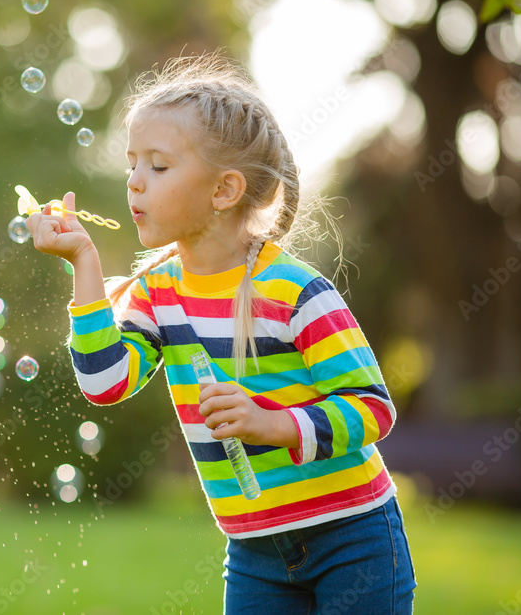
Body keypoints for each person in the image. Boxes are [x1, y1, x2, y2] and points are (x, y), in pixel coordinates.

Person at [26, 53, 416, 614]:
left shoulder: (295, 292)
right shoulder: (158, 292)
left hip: (353, 539)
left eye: (158, 167)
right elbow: (105, 381)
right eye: (132, 164)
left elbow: (373, 408)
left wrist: (273, 423)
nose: (134, 182)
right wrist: (84, 262)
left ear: (224, 189)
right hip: (253, 547)